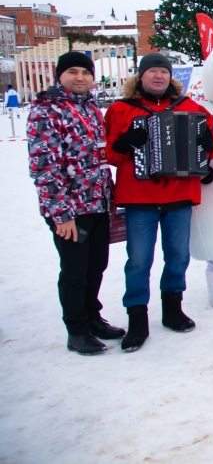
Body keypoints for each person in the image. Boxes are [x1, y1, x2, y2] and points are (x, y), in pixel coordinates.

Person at [105, 53, 213, 352]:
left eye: (163, 72)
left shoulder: (189, 108)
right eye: (152, 71)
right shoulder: (120, 110)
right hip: (139, 198)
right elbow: (110, 155)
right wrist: (127, 141)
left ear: (171, 78)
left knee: (178, 256)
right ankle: (137, 318)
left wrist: (208, 146)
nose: (158, 76)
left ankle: (172, 308)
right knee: (139, 260)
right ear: (140, 76)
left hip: (179, 195)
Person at [27, 52, 122, 355]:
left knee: (97, 266)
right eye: (72, 71)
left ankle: (93, 318)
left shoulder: (91, 106)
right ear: (59, 75)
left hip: (96, 203)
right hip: (69, 210)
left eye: (85, 72)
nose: (80, 77)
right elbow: (45, 167)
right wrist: (61, 215)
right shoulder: (46, 110)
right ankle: (77, 329)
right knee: (74, 271)